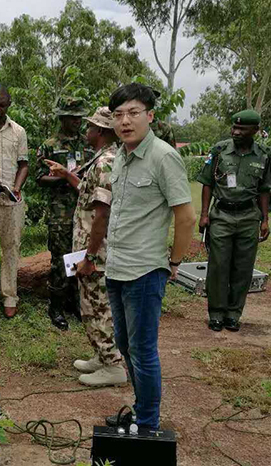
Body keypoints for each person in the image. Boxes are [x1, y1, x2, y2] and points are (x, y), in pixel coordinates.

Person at [104, 83, 196, 429]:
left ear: (150, 116)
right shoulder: (122, 156)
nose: (125, 121)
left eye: (133, 113)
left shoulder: (163, 156)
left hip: (144, 271)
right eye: (118, 115)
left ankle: (147, 424)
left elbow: (185, 216)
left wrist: (172, 263)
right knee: (125, 345)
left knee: (142, 351)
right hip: (117, 268)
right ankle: (142, 409)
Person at [45, 107, 127, 387]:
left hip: (97, 251)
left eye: (90, 126)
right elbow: (88, 192)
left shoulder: (106, 162)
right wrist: (66, 174)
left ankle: (113, 364)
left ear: (101, 132)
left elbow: (102, 213)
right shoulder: (100, 159)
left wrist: (90, 256)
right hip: (89, 248)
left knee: (99, 305)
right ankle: (102, 356)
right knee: (89, 305)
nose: (86, 130)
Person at [197, 110, 270, 332]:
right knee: (219, 265)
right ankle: (216, 313)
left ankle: (233, 313)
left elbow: (264, 190)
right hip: (222, 216)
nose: (235, 132)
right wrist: (204, 214)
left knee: (243, 267)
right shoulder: (219, 150)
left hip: (249, 217)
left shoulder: (264, 155)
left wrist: (265, 220)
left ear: (255, 131)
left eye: (242, 129)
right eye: (234, 128)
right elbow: (207, 182)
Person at [37, 97, 88, 330]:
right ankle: (55, 306)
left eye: (79, 116)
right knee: (60, 260)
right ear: (62, 118)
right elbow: (39, 177)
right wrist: (63, 177)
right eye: (72, 117)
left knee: (81, 256)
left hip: (84, 211)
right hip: (60, 213)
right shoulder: (49, 145)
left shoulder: (88, 143)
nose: (77, 121)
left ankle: (74, 302)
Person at [0, 84, 29, 318]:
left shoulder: (18, 132)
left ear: (9, 105)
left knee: (11, 248)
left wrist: (17, 188)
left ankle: (10, 295)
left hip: (11, 201)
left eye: (2, 104)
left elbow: (24, 164)